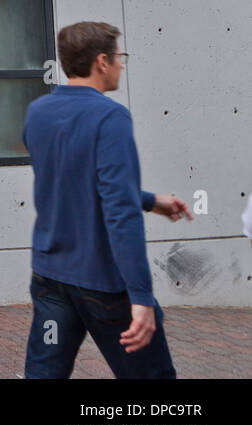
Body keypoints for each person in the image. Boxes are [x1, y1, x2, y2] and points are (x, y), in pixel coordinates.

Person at [22, 21, 192, 379]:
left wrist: (149, 199)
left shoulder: (38, 113)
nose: (121, 64)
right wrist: (141, 298)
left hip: (50, 278)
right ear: (102, 61)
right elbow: (120, 213)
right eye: (119, 57)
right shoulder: (110, 117)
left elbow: (70, 182)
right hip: (103, 285)